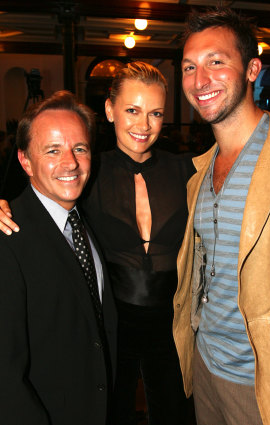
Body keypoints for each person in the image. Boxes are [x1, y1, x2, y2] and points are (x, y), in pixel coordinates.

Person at [0, 62, 195, 425]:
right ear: (110, 110)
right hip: (112, 326)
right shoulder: (90, 171)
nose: (144, 125)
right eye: (132, 110)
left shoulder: (185, 169)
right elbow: (35, 191)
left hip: (171, 327)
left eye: (155, 113)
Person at [172, 7, 270, 425]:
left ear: (252, 69)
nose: (200, 81)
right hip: (204, 365)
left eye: (216, 62)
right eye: (189, 67)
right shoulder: (199, 172)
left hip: (263, 382)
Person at [0, 91, 117, 425]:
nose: (71, 162)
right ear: (25, 160)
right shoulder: (8, 238)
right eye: (53, 150)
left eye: (79, 148)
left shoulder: (85, 219)